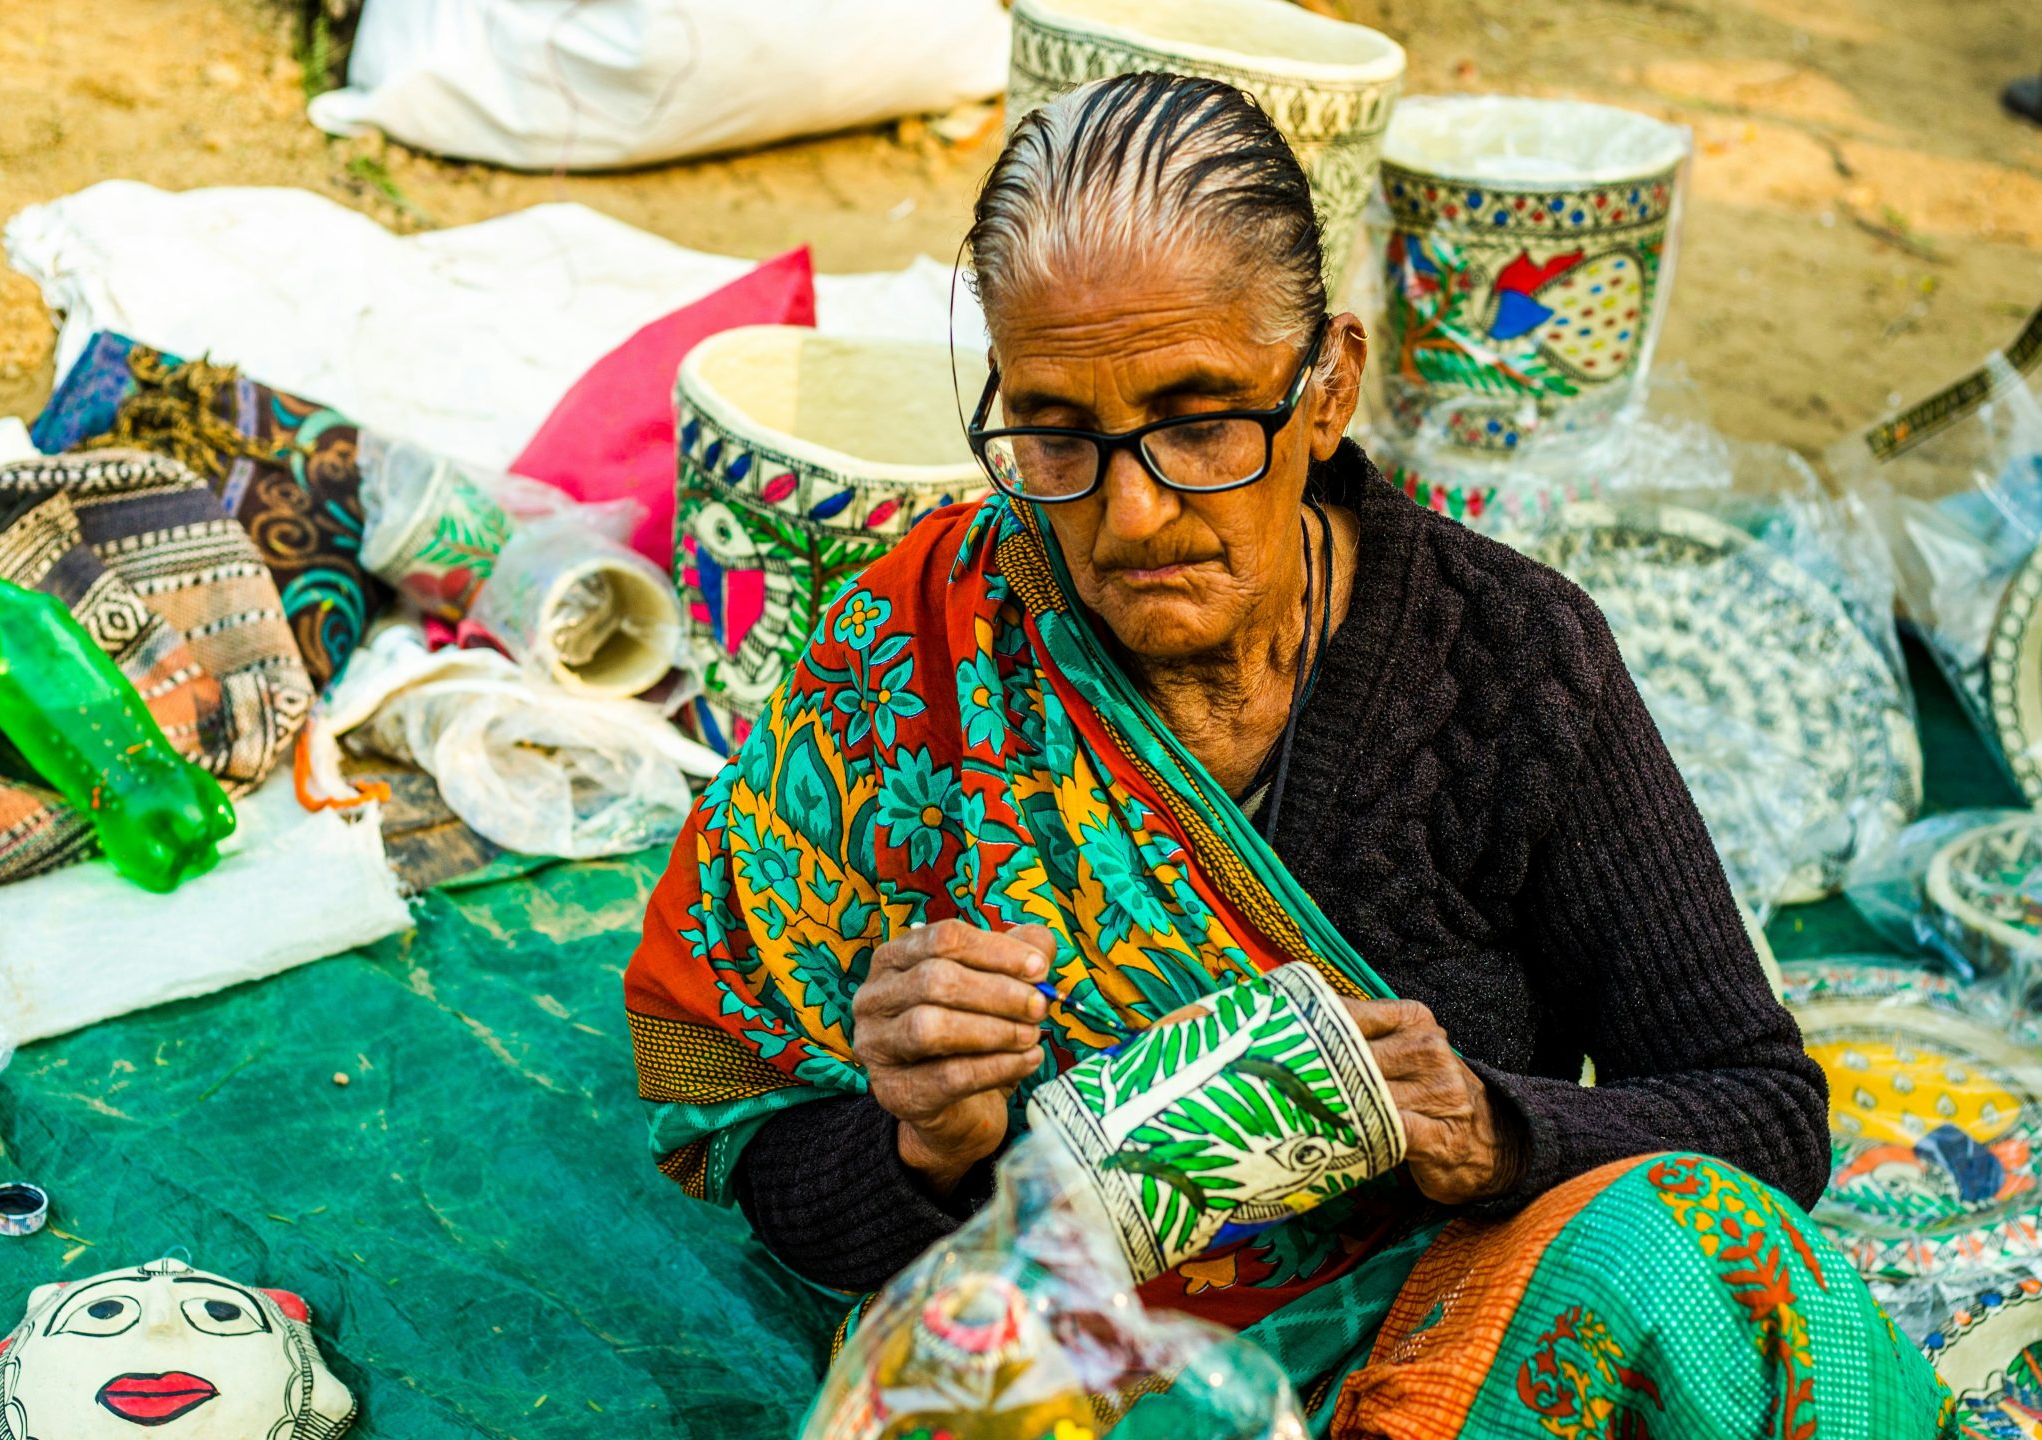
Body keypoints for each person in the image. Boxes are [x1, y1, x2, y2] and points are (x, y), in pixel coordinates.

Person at [626, 71, 1947, 1438]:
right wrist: (923, 1145)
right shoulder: (915, 658)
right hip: (1090, 1388)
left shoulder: (1508, 660)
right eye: (1056, 436)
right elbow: (743, 1124)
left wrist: (1493, 1131)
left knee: (1683, 1250)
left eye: (1199, 422)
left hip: (1452, 1360)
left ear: (1328, 389)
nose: (1130, 516)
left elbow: (1764, 1112)